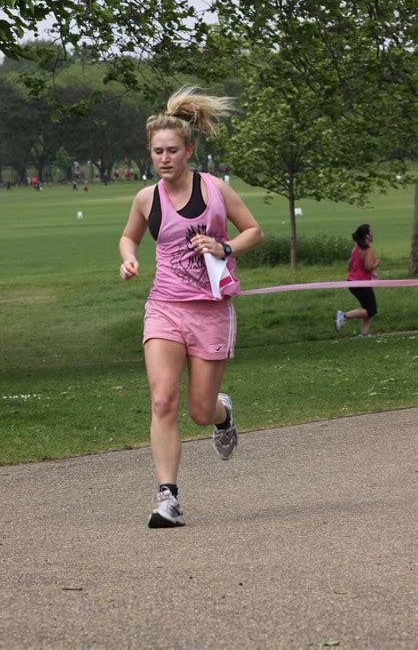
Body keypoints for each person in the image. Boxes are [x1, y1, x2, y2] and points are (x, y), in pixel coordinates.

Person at [119, 85, 264, 528]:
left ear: (189, 150)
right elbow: (129, 236)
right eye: (156, 151)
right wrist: (128, 256)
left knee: (200, 411)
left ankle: (222, 414)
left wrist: (223, 246)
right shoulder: (147, 199)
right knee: (163, 400)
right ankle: (168, 499)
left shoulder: (215, 189)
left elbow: (254, 232)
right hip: (164, 307)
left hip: (211, 310)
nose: (163, 158)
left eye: (172, 151)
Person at [335, 223, 380, 337]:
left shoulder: (356, 247)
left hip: (352, 282)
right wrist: (377, 263)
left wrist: (368, 273)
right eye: (371, 232)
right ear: (367, 236)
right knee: (371, 310)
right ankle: (344, 316)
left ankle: (364, 334)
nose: (373, 234)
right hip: (361, 284)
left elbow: (350, 264)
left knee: (366, 308)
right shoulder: (369, 249)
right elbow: (368, 266)